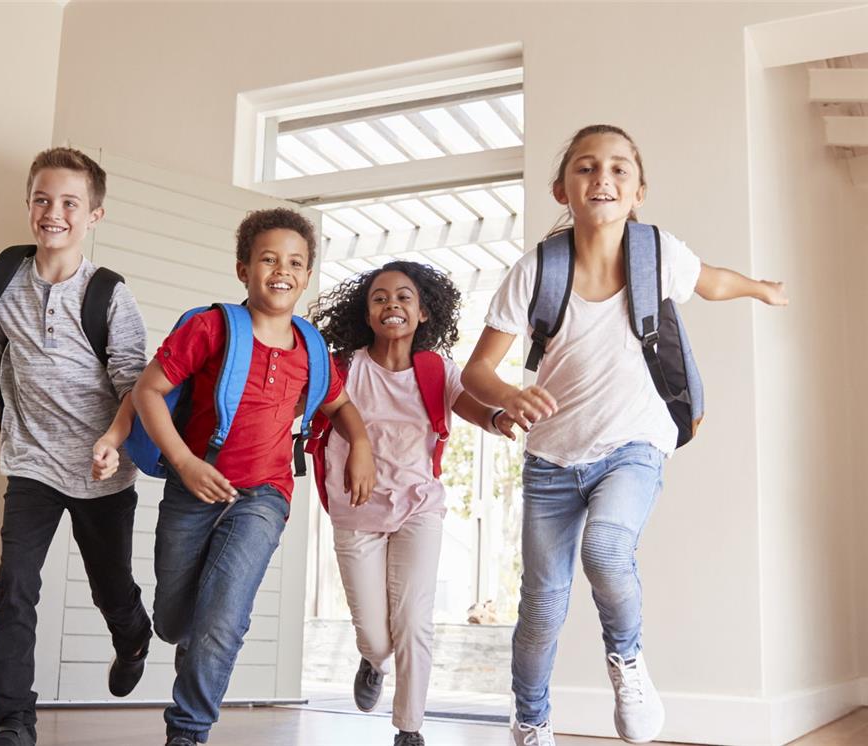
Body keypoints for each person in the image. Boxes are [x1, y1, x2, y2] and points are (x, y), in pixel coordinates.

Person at [461, 125, 788, 746]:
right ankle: (529, 720)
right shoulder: (536, 269)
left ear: (639, 191)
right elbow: (477, 370)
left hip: (634, 444)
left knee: (607, 551)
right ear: (562, 188)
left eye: (618, 168)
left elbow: (712, 281)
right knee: (541, 610)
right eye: (586, 168)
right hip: (551, 460)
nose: (602, 178)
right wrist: (508, 396)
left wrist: (760, 288)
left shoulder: (657, 253)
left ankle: (628, 662)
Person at [131, 208, 376, 746]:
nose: (281, 270)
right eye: (268, 259)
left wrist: (359, 441)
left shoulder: (312, 348)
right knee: (175, 621)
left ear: (308, 274)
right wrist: (186, 463)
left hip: (264, 495)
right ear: (243, 268)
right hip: (194, 488)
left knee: (225, 616)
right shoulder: (211, 327)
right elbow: (146, 392)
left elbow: (341, 405)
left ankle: (188, 732)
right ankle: (183, 643)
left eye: (295, 262)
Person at [0, 147, 151, 746]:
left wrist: (114, 441)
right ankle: (14, 722)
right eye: (42, 199)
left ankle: (132, 631)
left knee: (108, 583)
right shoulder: (5, 279)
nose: (53, 212)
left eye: (69, 202)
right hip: (31, 462)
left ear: (95, 215)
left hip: (100, 470)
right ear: (28, 204)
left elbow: (136, 385)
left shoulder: (109, 294)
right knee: (14, 586)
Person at [309, 261, 515, 746]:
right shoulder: (344, 367)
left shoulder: (436, 369)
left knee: (414, 619)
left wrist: (499, 417)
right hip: (356, 509)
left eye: (404, 297)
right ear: (367, 313)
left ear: (424, 313)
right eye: (380, 298)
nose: (392, 305)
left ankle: (409, 728)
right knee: (377, 637)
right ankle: (373, 661)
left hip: (419, 506)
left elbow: (471, 406)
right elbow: (313, 410)